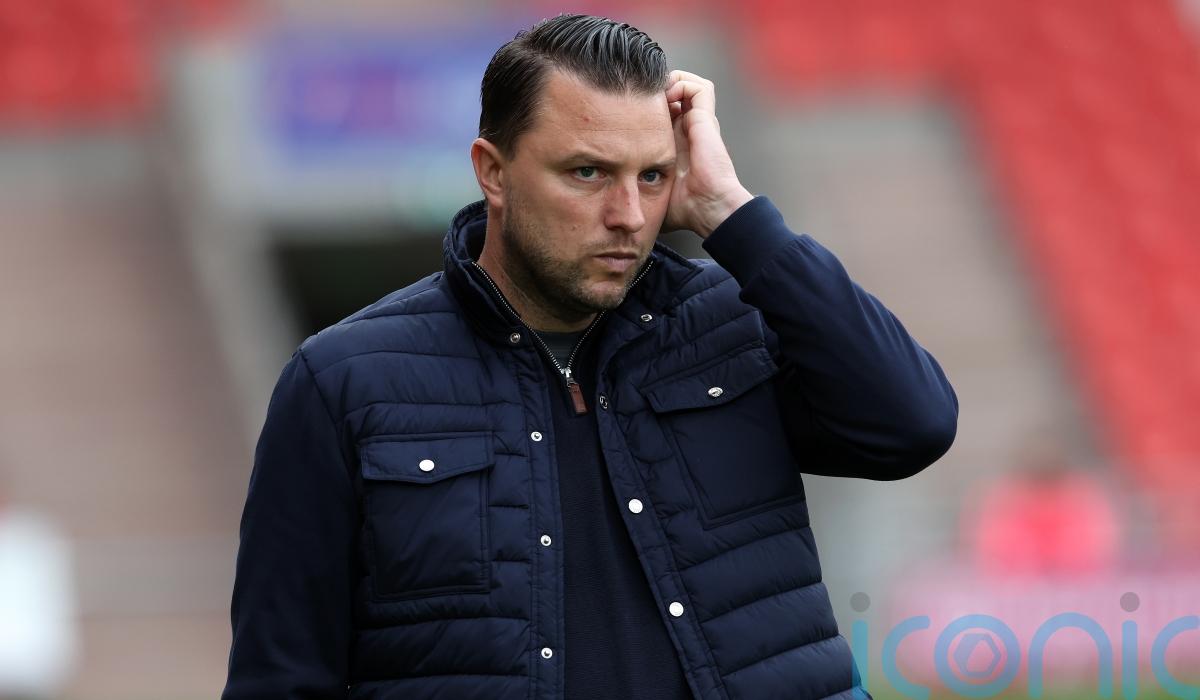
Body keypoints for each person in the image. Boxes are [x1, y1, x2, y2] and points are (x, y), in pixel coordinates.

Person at [222, 13, 958, 700]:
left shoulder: (733, 320)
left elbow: (911, 425)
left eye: (652, 175)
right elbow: (282, 676)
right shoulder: (345, 380)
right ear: (493, 171)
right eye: (588, 173)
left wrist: (732, 213)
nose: (629, 217)